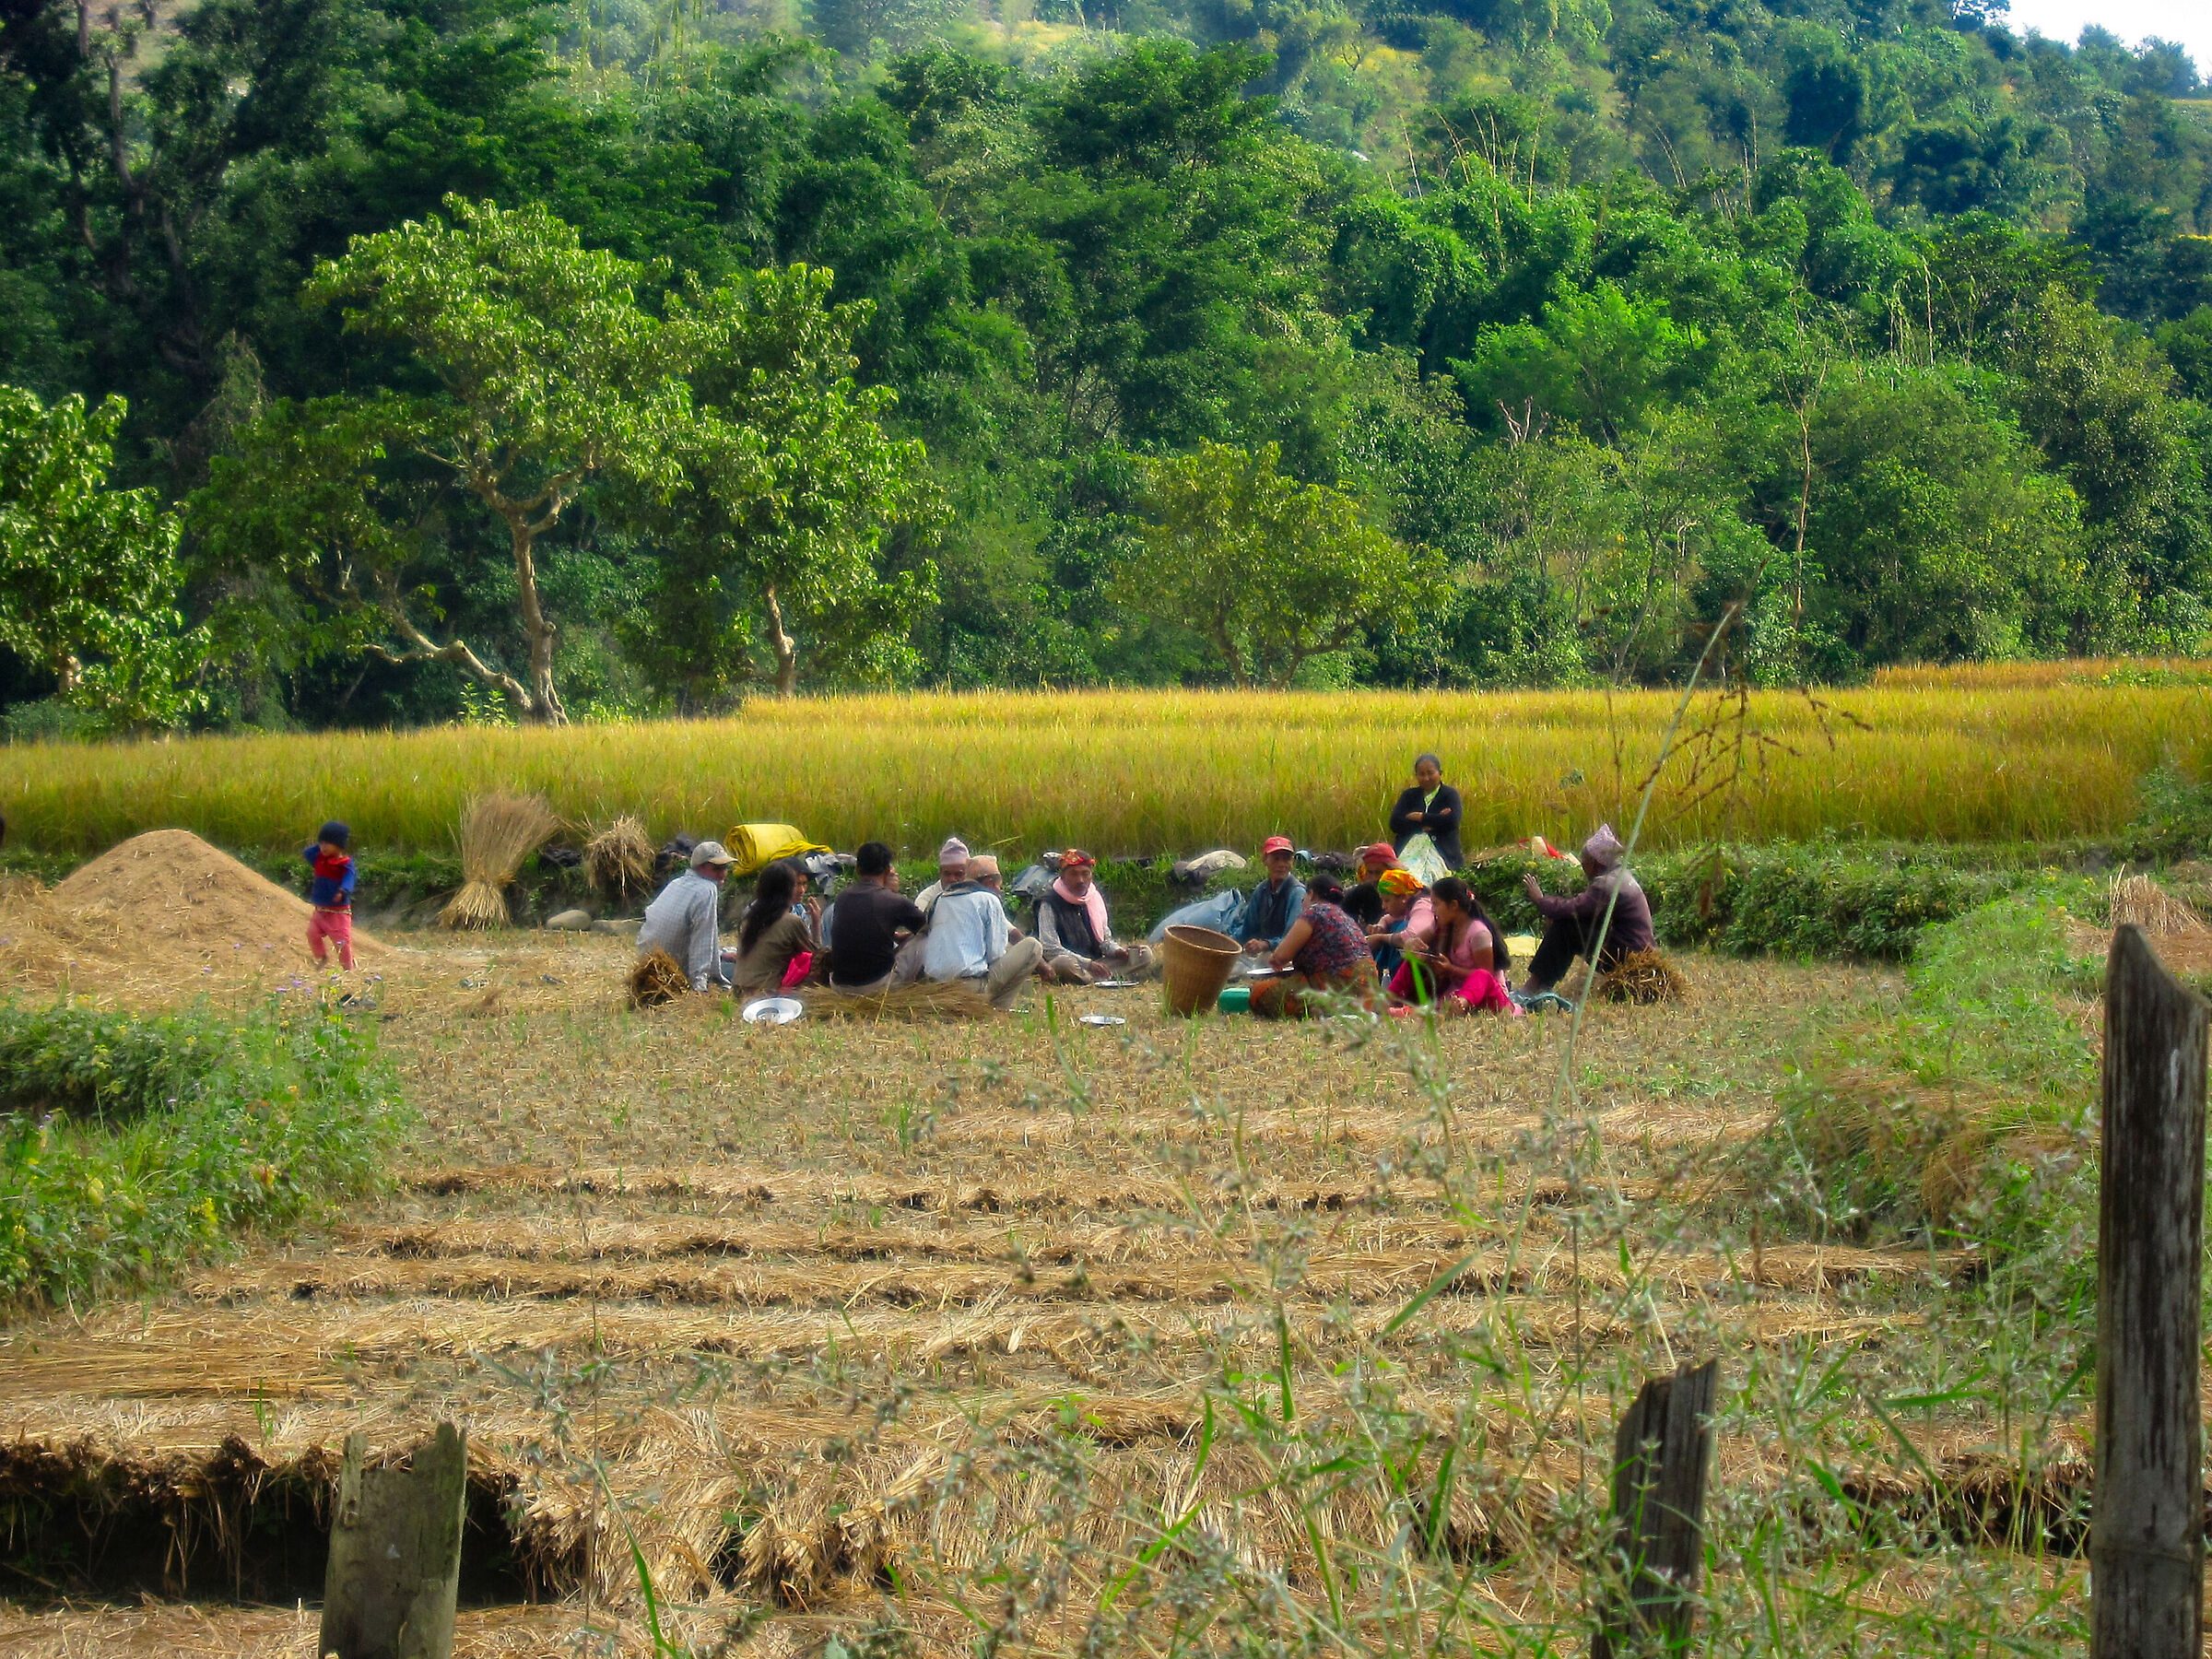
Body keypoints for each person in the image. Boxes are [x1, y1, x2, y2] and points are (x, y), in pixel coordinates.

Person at [1517, 824, 1654, 1003]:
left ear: (1594, 863)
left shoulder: (1607, 885)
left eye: (1584, 860)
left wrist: (1541, 900)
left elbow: (1573, 909)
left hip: (1627, 956)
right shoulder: (1621, 876)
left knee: (1566, 926)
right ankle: (1541, 985)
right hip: (1635, 951)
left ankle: (1533, 987)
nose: (1582, 865)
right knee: (1568, 922)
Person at [923, 853, 1045, 1010]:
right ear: (990, 882)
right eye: (999, 886)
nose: (999, 890)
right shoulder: (988, 899)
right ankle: (998, 1006)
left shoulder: (937, 899)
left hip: (934, 988)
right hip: (969, 987)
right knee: (1033, 946)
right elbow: (995, 954)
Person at [1250, 874, 1379, 1018]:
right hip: (1368, 989)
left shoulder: (1314, 912)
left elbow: (1281, 956)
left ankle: (1326, 1008)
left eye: (1304, 898)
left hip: (1337, 984)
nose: (1302, 903)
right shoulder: (1345, 917)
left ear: (1311, 894)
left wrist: (1275, 960)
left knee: (1260, 991)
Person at [1392, 877, 1516, 1015]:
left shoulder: (1479, 933)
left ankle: (1461, 1004)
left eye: (1436, 904)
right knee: (1412, 961)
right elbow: (1414, 941)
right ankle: (1388, 999)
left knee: (1481, 975)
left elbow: (1487, 977)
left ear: (1453, 905)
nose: (1432, 910)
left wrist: (1451, 969)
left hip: (1487, 997)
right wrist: (1411, 945)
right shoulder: (1443, 926)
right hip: (1454, 993)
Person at [1036, 851, 1158, 982]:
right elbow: (1050, 949)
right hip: (1072, 964)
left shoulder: (1093, 899)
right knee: (1063, 963)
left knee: (1144, 954)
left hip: (1097, 963)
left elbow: (1105, 941)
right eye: (1074, 874)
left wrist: (1119, 952)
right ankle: (1101, 977)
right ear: (1063, 876)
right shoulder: (1049, 902)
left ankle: (1092, 978)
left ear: (1091, 876)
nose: (1080, 880)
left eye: (1085, 874)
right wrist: (1087, 964)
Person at [828, 841, 928, 993]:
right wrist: (890, 892)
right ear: (888, 870)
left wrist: (896, 936)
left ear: (858, 869)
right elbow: (926, 927)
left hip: (839, 986)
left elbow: (862, 929)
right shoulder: (891, 899)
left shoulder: (842, 897)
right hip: (875, 987)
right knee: (925, 938)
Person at [638, 840, 736, 992]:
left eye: (725, 868)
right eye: (717, 868)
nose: (722, 873)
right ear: (700, 867)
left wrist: (721, 954)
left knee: (728, 954)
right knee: (743, 968)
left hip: (649, 968)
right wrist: (700, 988)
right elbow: (702, 942)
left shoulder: (676, 883)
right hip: (674, 974)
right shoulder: (707, 889)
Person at [731, 861, 818, 994]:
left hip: (739, 990)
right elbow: (815, 959)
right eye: (796, 885)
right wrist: (816, 923)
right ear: (788, 890)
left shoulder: (749, 918)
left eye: (804, 884)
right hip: (767, 994)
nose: (801, 890)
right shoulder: (791, 921)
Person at [894, 837, 971, 985]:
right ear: (940, 873)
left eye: (958, 874)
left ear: (967, 873)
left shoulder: (977, 897)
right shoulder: (927, 897)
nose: (952, 879)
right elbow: (924, 927)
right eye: (947, 874)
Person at [1389, 754, 1464, 877]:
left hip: (1441, 854)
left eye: (1430, 773)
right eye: (1421, 774)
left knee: (1432, 877)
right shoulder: (1409, 795)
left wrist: (1420, 817)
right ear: (1416, 776)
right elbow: (1395, 823)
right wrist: (1429, 823)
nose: (1426, 778)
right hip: (1408, 851)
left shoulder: (1450, 794)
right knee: (1402, 877)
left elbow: (1452, 821)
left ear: (1440, 773)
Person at [303, 819, 357, 971]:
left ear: (339, 845)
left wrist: (342, 890)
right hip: (320, 911)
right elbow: (307, 853)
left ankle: (348, 968)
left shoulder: (345, 864)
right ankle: (322, 957)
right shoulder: (319, 859)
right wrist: (321, 844)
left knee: (342, 942)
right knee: (312, 934)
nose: (323, 847)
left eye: (328, 843)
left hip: (338, 914)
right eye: (321, 843)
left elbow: (350, 878)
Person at [1363, 866, 1434, 980]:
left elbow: (1411, 937)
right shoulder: (1408, 906)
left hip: (1431, 967)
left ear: (1404, 897)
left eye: (1387, 900)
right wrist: (1381, 925)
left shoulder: (1422, 907)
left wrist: (1380, 938)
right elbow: (1388, 918)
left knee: (1400, 927)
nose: (1383, 906)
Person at [1239, 836, 1306, 954]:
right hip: (1263, 954)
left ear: (1292, 862)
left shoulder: (1297, 893)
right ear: (1265, 859)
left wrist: (1265, 944)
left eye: (1286, 859)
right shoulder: (1261, 890)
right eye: (1276, 859)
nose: (1281, 864)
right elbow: (1247, 930)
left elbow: (1292, 938)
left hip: (1287, 954)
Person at [1341, 843, 1402, 931]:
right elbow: (1343, 914)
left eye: (1379, 873)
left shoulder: (1405, 893)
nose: (1374, 878)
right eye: (1370, 872)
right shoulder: (1364, 891)